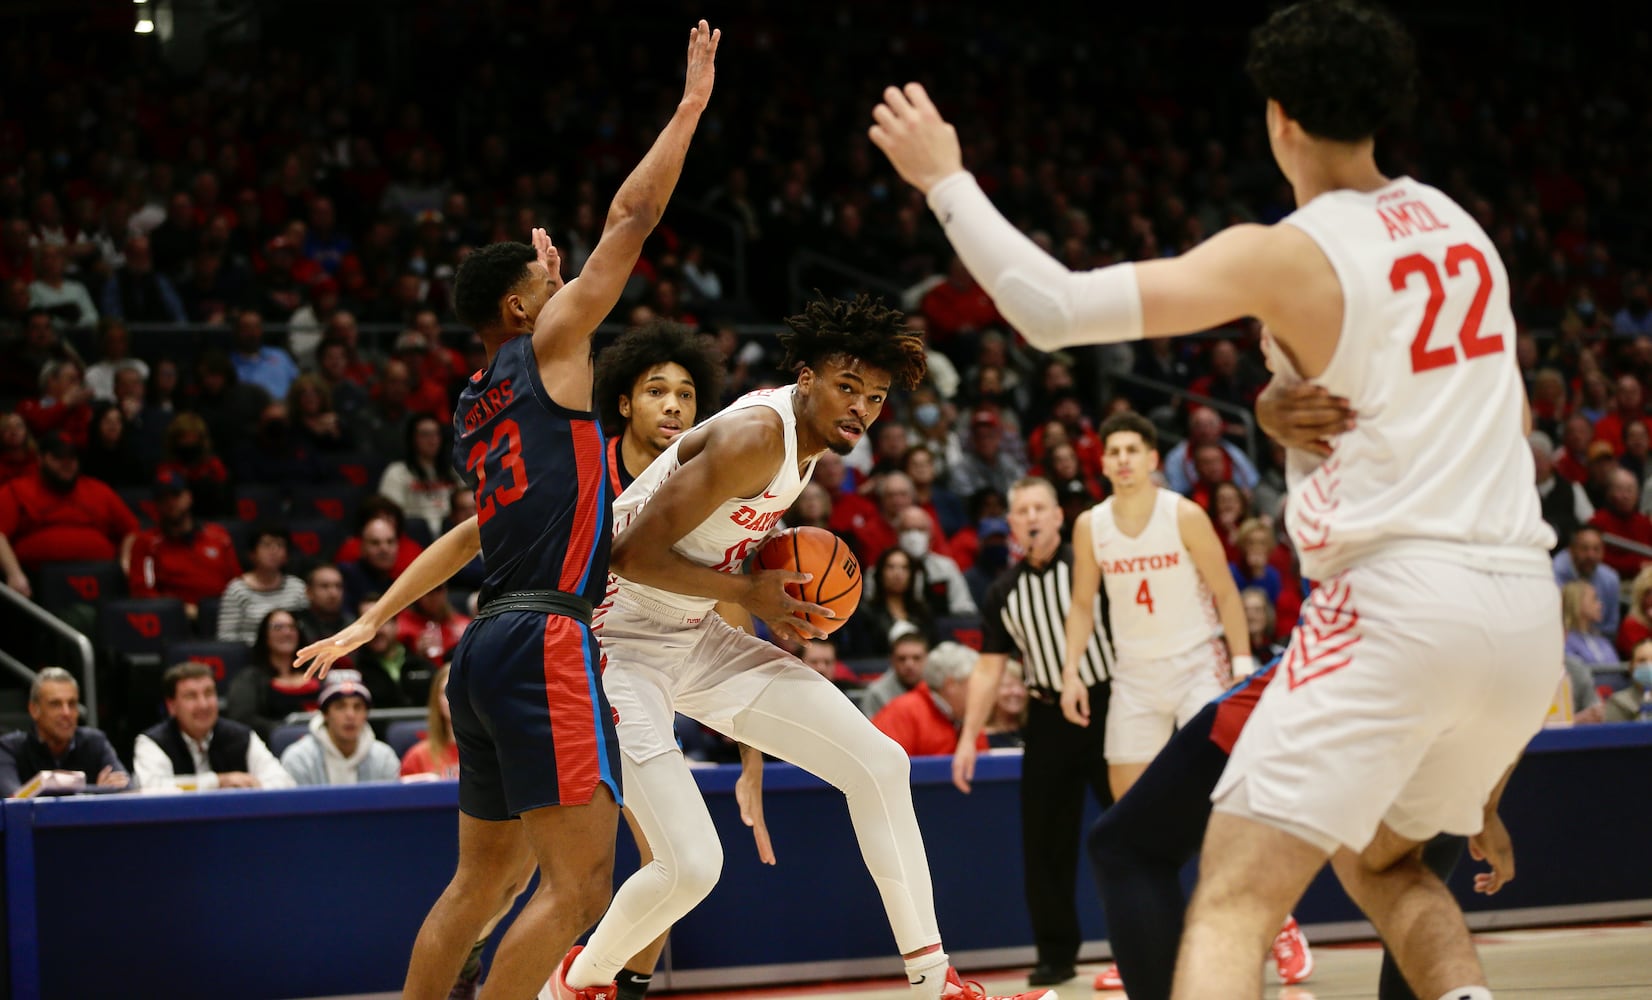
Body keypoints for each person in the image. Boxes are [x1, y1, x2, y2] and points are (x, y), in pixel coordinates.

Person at [870, 4, 1558, 996]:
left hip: (1397, 601)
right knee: (1390, 870)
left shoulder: (1284, 251)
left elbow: (1052, 308)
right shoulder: (1461, 229)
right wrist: (1275, 410)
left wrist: (943, 179)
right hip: (1518, 605)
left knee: (1233, 898)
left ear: (1276, 117)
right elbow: (1438, 403)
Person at [297, 24, 720, 1000]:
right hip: (545, 638)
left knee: (479, 884)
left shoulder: (478, 397)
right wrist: (690, 106)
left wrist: (376, 613)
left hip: (480, 647)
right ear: (529, 310)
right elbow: (633, 215)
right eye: (551, 285)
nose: (570, 291)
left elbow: (471, 533)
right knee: (579, 890)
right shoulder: (556, 339)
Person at [571, 293, 1051, 1000]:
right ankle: (577, 981)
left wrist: (771, 591)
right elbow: (625, 555)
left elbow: (719, 551)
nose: (860, 407)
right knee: (692, 866)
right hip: (617, 642)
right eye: (847, 387)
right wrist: (750, 596)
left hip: (691, 631)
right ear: (806, 379)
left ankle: (931, 981)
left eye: (876, 397)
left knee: (881, 764)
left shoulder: (805, 447)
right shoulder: (756, 437)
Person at [950, 476, 1115, 987]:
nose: (1032, 517)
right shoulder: (1004, 591)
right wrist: (968, 736)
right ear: (1013, 524)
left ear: (1059, 516)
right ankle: (1056, 953)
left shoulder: (1092, 570)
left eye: (1040, 507)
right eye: (1022, 511)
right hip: (1046, 716)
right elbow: (989, 667)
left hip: (1110, 704)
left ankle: (1141, 940)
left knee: (1129, 829)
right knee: (1044, 841)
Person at [1061, 411, 1252, 799]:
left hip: (1197, 662)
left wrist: (1242, 665)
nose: (1123, 459)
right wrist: (1070, 673)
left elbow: (1226, 592)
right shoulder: (1090, 525)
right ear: (1103, 463)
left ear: (1151, 459)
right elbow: (1082, 606)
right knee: (1127, 801)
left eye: (1132, 450)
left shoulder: (1184, 515)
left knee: (1221, 790)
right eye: (1114, 452)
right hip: (1133, 672)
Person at [133, 661, 296, 791]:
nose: (203, 705)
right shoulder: (152, 743)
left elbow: (284, 783)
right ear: (172, 706)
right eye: (191, 696)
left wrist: (249, 790)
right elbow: (152, 790)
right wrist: (217, 782)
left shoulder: (241, 736)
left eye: (209, 693)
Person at [127, 470, 241, 618]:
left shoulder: (219, 536)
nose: (170, 503)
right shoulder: (146, 543)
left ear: (189, 497)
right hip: (175, 620)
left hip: (224, 615)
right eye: (162, 498)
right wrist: (183, 611)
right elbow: (143, 593)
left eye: (175, 495)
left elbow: (237, 584)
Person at [0, 667, 128, 796]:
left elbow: (127, 788)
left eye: (72, 704)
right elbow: (15, 799)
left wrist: (47, 788)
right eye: (55, 704)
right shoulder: (9, 749)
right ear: (34, 710)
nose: (66, 713)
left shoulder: (95, 742)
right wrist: (98, 790)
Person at [279, 669, 401, 786]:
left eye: (357, 707)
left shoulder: (384, 758)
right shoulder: (299, 760)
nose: (350, 715)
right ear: (325, 714)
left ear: (366, 714)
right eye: (340, 706)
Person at [872, 639, 986, 757]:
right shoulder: (902, 712)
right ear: (951, 685)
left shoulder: (969, 717)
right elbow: (882, 766)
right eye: (974, 685)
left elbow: (982, 767)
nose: (980, 692)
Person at [226, 608, 321, 741]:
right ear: (265, 635)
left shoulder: (317, 671)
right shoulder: (249, 678)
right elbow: (243, 718)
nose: (287, 632)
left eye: (292, 627)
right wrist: (284, 731)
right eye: (278, 627)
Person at [216, 523, 308, 646]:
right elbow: (227, 638)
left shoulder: (297, 587)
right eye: (266, 544)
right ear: (252, 553)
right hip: (250, 658)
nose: (273, 550)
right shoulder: (237, 589)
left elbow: (305, 630)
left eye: (280, 545)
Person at [401, 664, 460, 779]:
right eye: (447, 691)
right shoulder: (417, 757)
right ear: (436, 699)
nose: (454, 698)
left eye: (460, 691)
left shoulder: (493, 753)